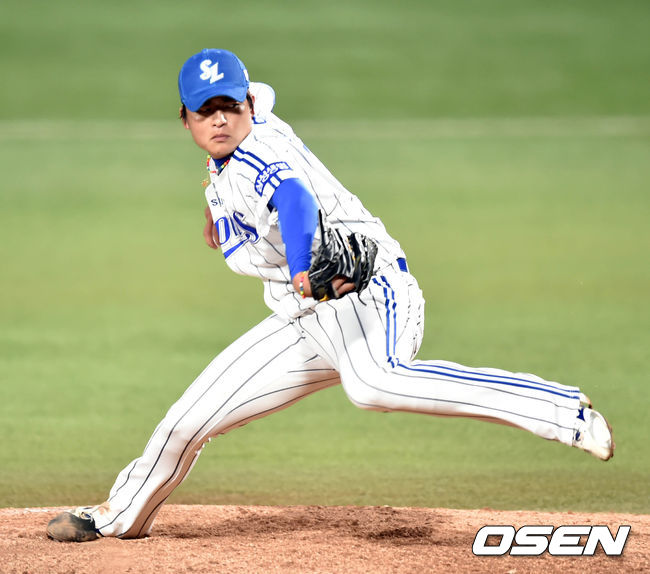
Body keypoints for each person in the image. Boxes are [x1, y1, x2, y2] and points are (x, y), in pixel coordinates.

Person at [46, 49, 614, 543]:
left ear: (247, 106)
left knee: (374, 383)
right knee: (185, 421)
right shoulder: (241, 133)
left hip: (369, 293)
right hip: (304, 319)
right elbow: (237, 170)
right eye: (206, 110)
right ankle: (119, 517)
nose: (219, 120)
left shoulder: (254, 154)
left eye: (230, 107)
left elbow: (294, 198)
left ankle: (561, 410)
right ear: (185, 117)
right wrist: (217, 216)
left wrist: (300, 266)